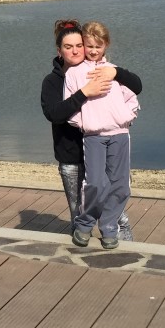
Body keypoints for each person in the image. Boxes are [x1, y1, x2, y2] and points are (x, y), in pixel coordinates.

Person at [40, 19, 141, 244]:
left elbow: (136, 87)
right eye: (69, 47)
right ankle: (81, 248)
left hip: (112, 140)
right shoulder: (55, 80)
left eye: (79, 45)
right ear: (59, 50)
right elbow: (55, 113)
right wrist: (86, 94)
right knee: (79, 211)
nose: (76, 51)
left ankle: (118, 241)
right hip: (73, 156)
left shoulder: (107, 70)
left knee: (119, 207)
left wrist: (123, 115)